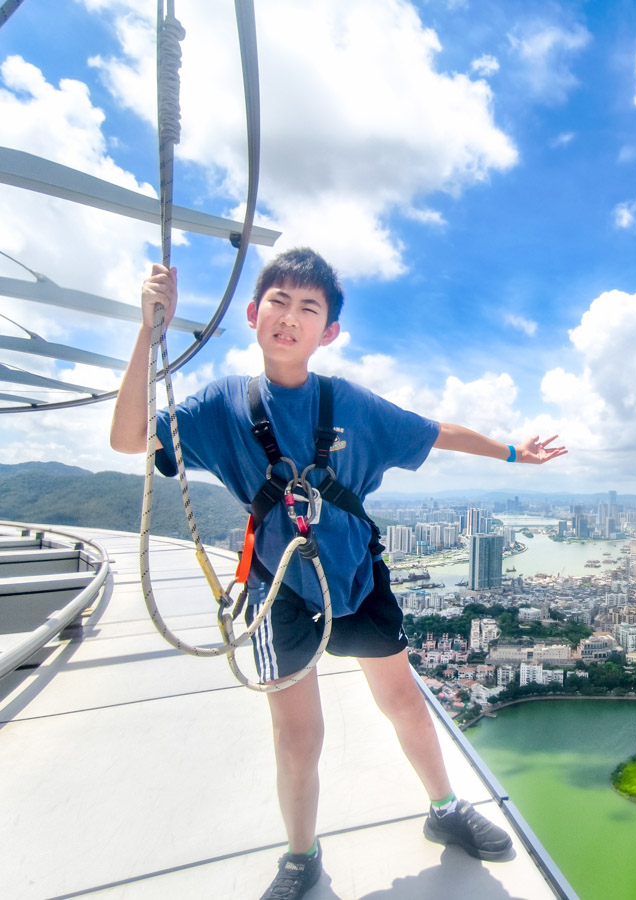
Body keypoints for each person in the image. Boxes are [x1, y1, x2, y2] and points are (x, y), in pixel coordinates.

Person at [110, 248, 567, 900]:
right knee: (299, 736)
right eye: (279, 301)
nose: (290, 317)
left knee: (404, 702)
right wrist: (145, 331)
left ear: (329, 332)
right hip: (280, 587)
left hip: (353, 575)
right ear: (252, 313)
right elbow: (129, 438)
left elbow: (436, 432)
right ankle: (302, 857)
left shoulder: (346, 402)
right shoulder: (221, 407)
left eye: (308, 307)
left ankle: (445, 810)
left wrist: (515, 453)